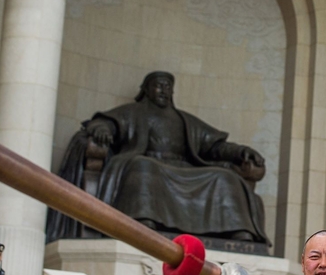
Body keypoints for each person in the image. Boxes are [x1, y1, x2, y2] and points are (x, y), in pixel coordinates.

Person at [47, 71, 268, 243]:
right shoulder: (133, 112)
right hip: (147, 162)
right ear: (146, 90)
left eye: (167, 86)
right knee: (143, 167)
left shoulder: (183, 120)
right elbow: (106, 123)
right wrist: (101, 129)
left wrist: (240, 151)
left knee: (224, 177)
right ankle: (144, 220)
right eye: (158, 85)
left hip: (182, 167)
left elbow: (216, 146)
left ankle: (238, 230)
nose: (163, 90)